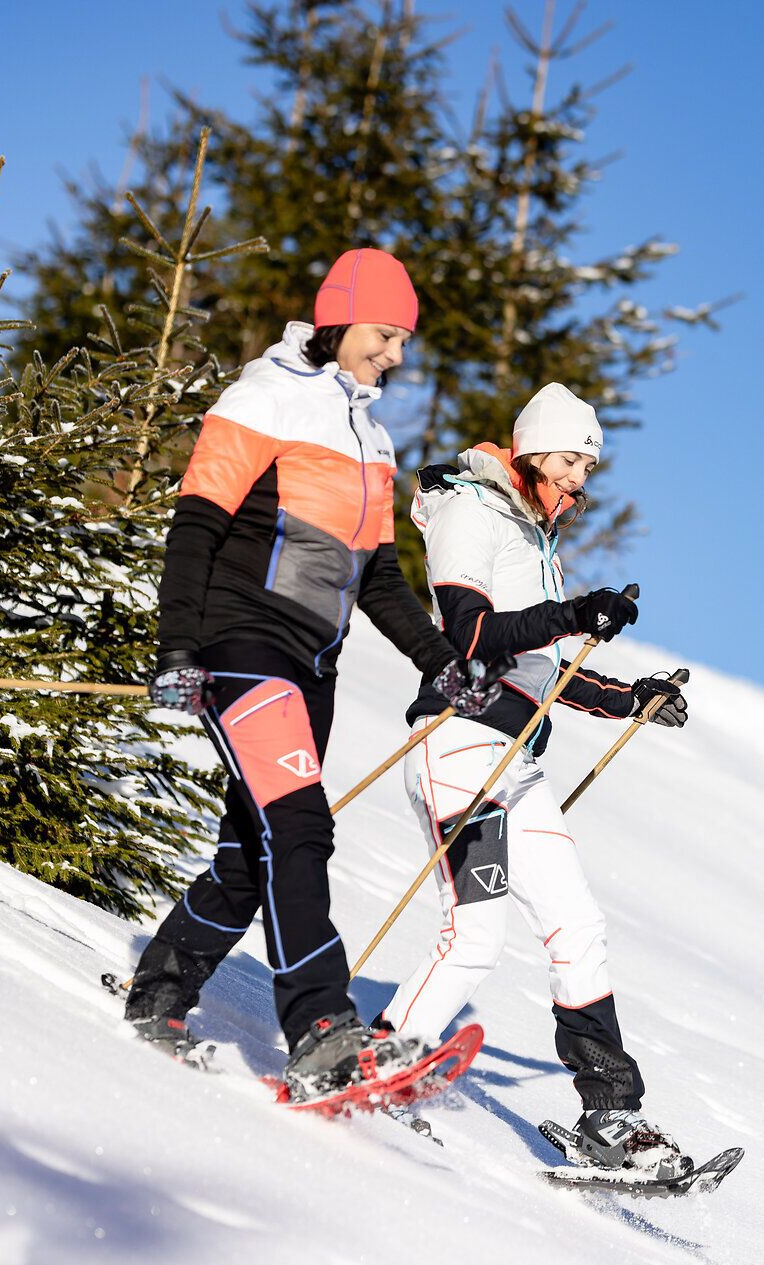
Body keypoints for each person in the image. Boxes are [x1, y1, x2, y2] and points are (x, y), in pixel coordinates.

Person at [124, 247, 504, 1103]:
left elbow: (374, 575)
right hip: (242, 644)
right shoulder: (265, 398)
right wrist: (179, 647)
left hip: (312, 664)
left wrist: (444, 660)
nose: (396, 356)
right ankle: (320, 1028)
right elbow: (194, 525)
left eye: (404, 340)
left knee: (254, 852)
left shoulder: (371, 434)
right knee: (299, 828)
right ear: (338, 320)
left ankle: (161, 990)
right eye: (384, 334)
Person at [374, 382, 692, 1177]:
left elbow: (544, 670)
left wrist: (633, 699)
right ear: (530, 450)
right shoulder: (470, 512)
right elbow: (473, 635)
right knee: (473, 935)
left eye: (590, 462)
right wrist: (574, 611)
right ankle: (376, 1061)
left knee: (578, 925)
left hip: (517, 761)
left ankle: (611, 1116)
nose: (582, 476)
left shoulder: (533, 535)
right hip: (461, 744)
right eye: (571, 457)